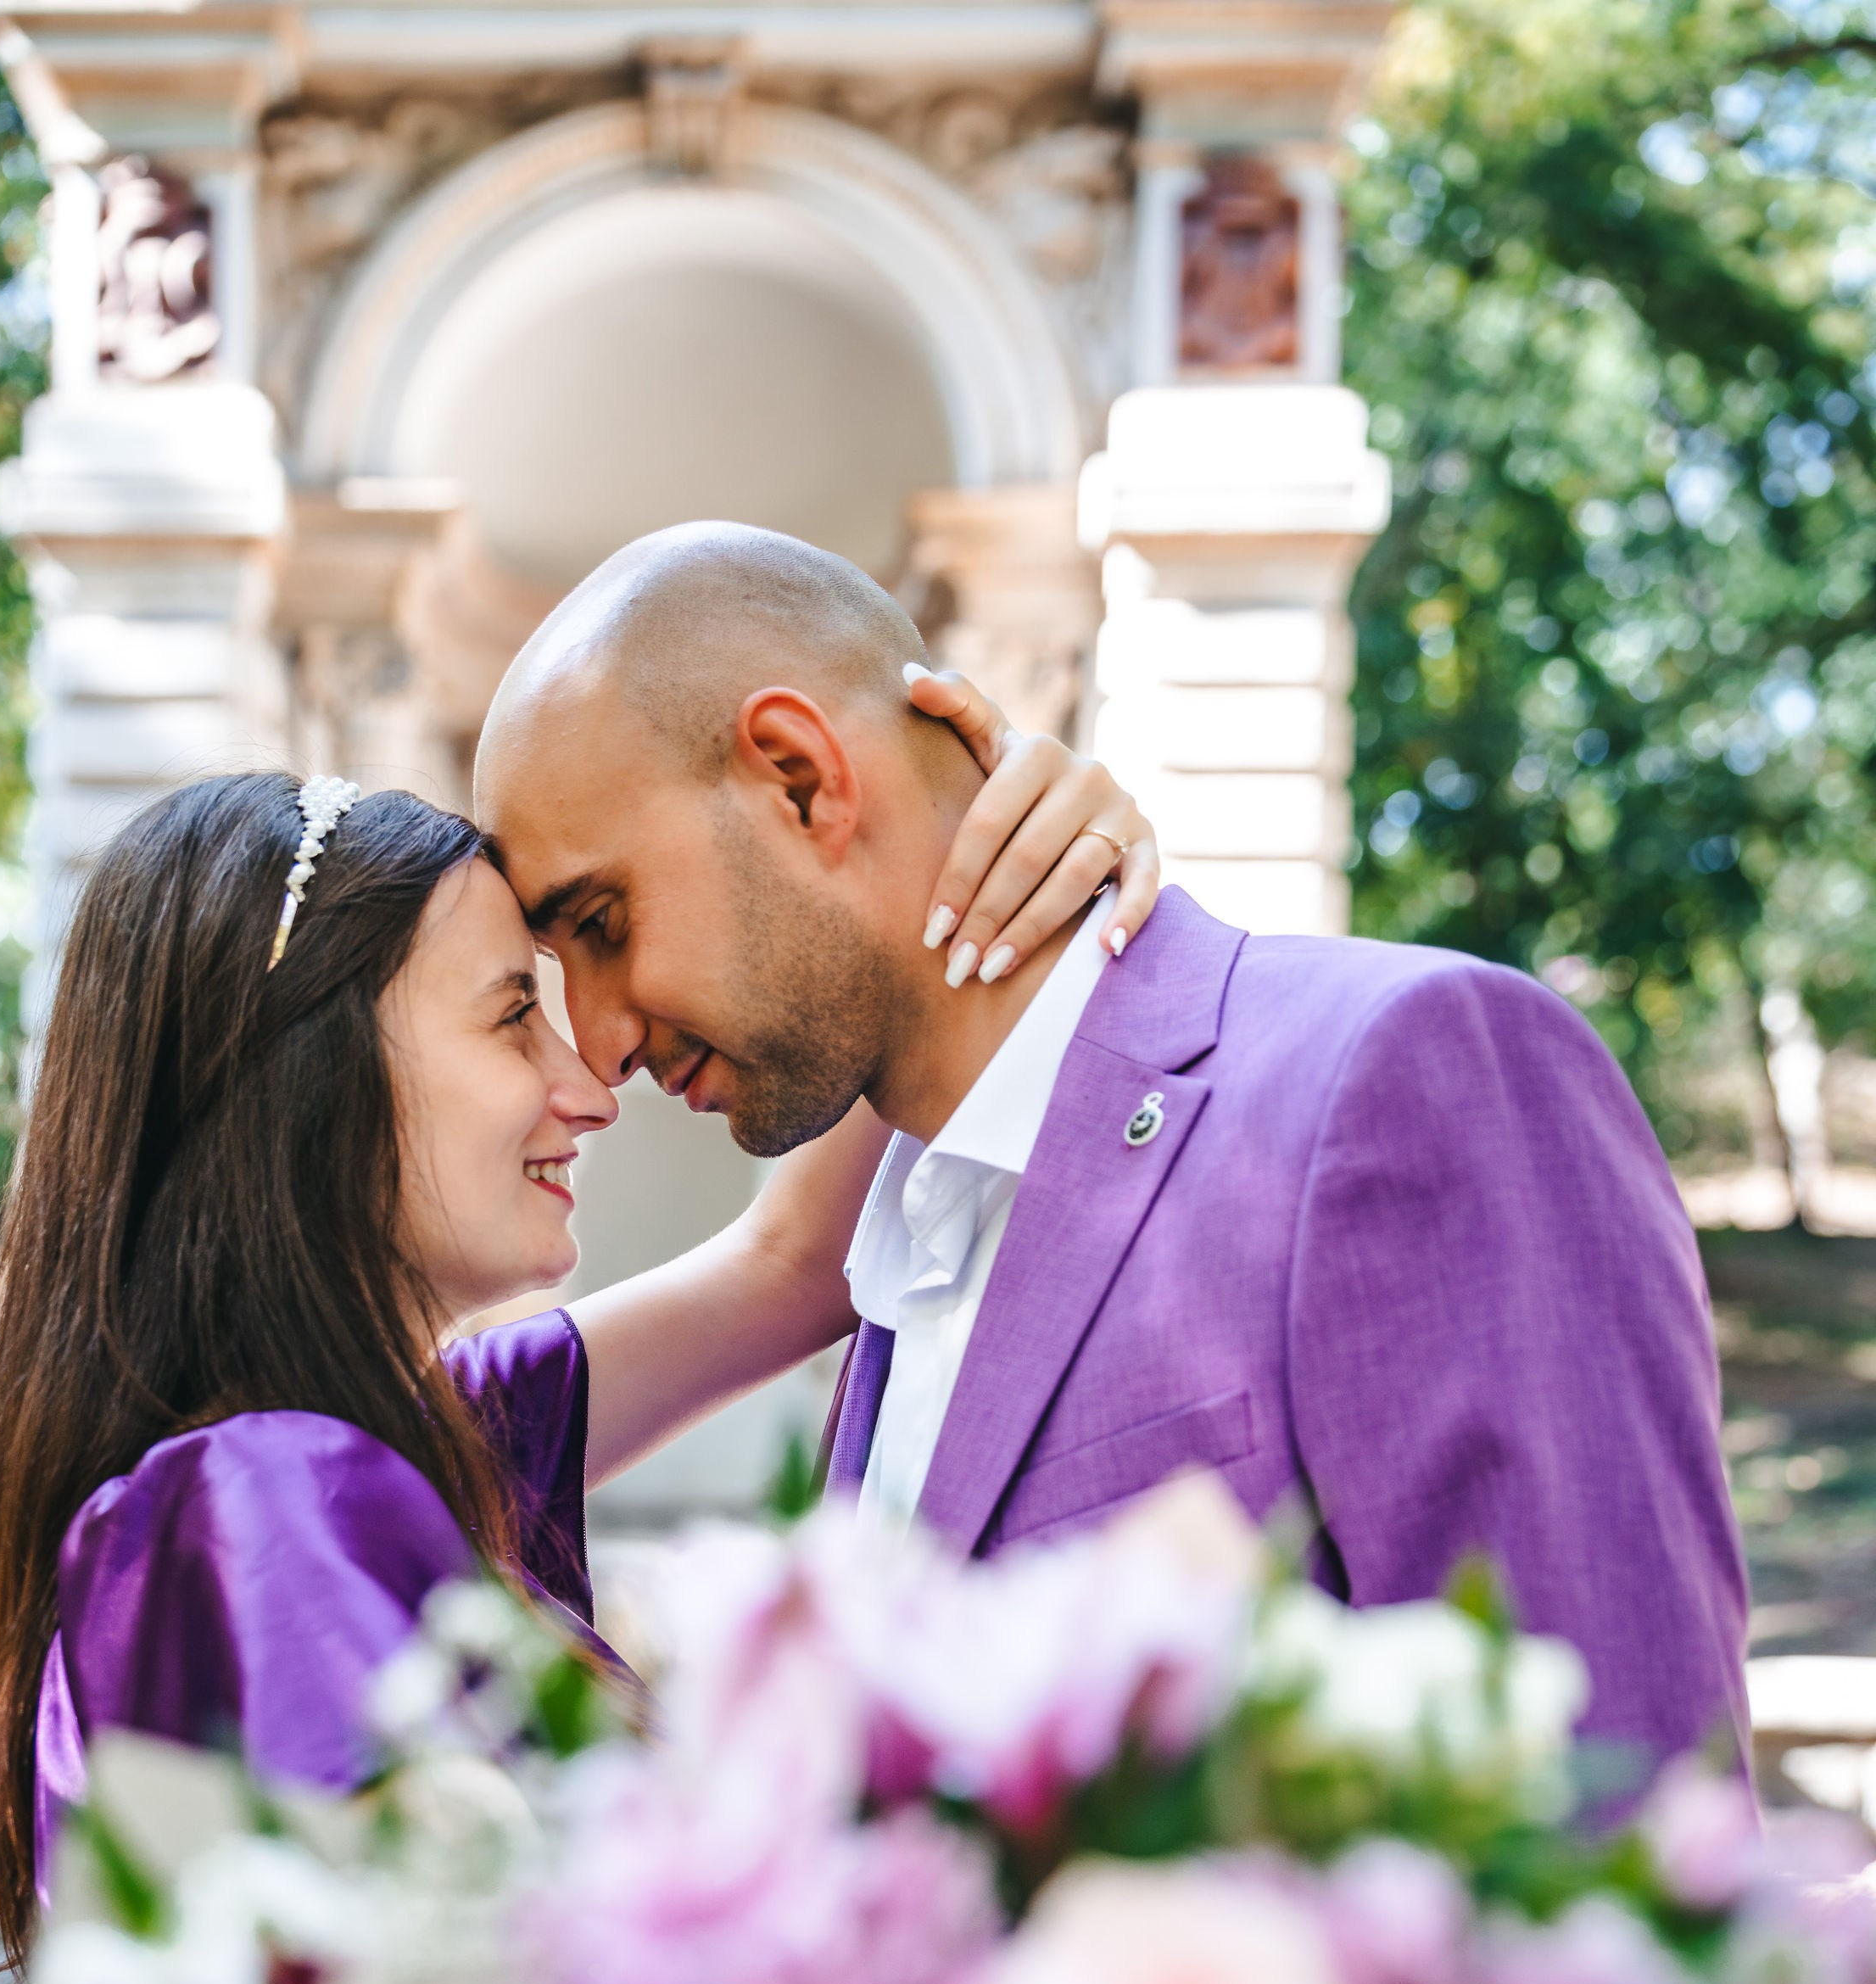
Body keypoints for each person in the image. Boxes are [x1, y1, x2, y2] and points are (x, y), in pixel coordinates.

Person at [474, 521, 1752, 1801]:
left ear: (804, 780)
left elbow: (1628, 1828)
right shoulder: (896, 1252)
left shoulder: (1410, 1074)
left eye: (602, 920)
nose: (599, 1043)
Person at [0, 679, 1160, 1953]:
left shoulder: (393, 1448)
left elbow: (792, 1265)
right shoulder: (266, 1496)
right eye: (513, 1014)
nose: (590, 1087)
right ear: (303, 1085)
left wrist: (970, 862)